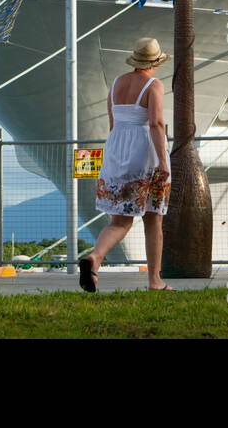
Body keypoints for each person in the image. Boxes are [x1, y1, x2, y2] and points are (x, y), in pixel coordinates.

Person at [79, 37, 172, 292]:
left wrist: (118, 153)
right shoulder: (154, 85)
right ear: (155, 62)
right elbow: (155, 124)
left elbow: (113, 123)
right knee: (153, 219)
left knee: (119, 221)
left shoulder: (117, 83)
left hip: (116, 151)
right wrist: (163, 160)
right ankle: (155, 281)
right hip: (145, 155)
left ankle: (95, 257)